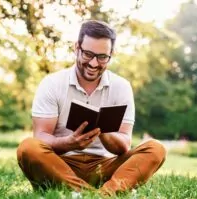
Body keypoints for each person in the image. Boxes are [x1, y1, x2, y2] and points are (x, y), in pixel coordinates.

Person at [17, 20, 166, 196]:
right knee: (28, 147)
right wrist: (69, 143)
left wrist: (102, 131)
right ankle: (92, 194)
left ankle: (101, 194)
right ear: (76, 48)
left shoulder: (121, 87)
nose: (94, 64)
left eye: (102, 57)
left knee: (156, 149)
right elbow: (40, 136)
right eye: (88, 54)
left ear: (112, 54)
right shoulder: (52, 83)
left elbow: (124, 145)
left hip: (104, 167)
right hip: (60, 165)